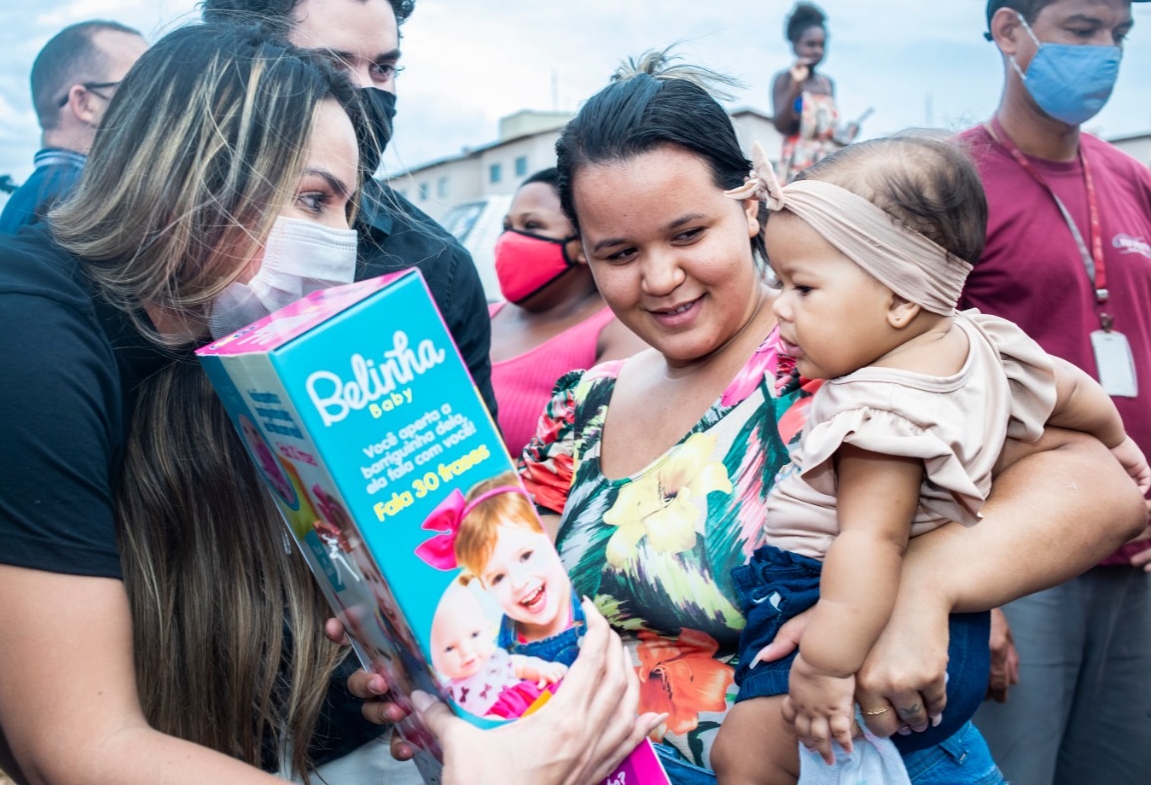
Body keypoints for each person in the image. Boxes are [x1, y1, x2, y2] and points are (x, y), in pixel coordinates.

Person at [0, 21, 651, 785]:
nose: (339, 241)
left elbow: (1, 650)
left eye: (348, 210)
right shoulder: (10, 347)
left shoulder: (172, 336)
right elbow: (83, 742)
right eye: (315, 199)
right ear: (191, 173)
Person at [371, 49, 1151, 785]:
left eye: (687, 234)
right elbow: (516, 593)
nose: (660, 278)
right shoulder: (584, 404)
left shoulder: (849, 357)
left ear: (749, 209)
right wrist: (430, 667)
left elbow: (1104, 489)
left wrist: (923, 588)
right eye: (618, 254)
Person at [709, 135, 1149, 784]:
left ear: (900, 298)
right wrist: (1121, 447)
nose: (781, 306)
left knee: (744, 756)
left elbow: (869, 542)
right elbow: (1074, 390)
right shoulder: (987, 344)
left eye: (803, 287)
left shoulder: (877, 413)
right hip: (954, 629)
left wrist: (826, 665)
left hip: (843, 610)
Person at [960, 0, 1151, 782]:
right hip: (1017, 556)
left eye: (1120, 34)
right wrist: (974, 588)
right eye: (1081, 29)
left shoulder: (1132, 180)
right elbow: (908, 382)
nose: (1105, 52)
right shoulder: (950, 184)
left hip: (1137, 553)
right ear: (1010, 32)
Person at [201, 0, 496, 421]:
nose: (361, 91)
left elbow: (466, 479)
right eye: (330, 65)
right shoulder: (147, 241)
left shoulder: (434, 267)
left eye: (382, 69)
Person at [490, 168, 645, 458]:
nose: (509, 240)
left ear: (585, 245)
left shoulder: (621, 328)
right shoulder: (482, 317)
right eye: (507, 226)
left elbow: (583, 452)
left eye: (532, 225)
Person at [0, 20, 147, 234]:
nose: (156, 100)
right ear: (84, 103)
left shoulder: (34, 196)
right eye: (140, 85)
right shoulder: (83, 205)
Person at [429, 581, 567, 718]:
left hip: (527, 702)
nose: (466, 651)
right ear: (433, 659)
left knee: (559, 691)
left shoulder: (497, 660)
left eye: (474, 635)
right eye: (449, 648)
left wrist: (542, 670)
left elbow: (523, 666)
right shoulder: (448, 693)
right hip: (499, 726)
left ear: (488, 629)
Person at [770, 2, 858, 182]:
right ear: (795, 45)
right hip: (797, 167)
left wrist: (847, 134)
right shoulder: (784, 80)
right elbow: (781, 125)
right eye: (810, 44)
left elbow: (827, 131)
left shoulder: (827, 84)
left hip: (826, 166)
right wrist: (796, 84)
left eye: (822, 45)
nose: (817, 50)